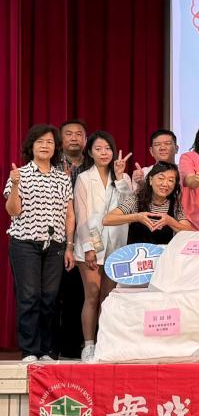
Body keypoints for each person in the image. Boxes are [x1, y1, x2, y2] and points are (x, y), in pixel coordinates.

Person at [5, 125, 76, 362]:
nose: (45, 146)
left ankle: (47, 350)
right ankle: (29, 350)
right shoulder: (20, 174)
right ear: (31, 146)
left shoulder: (62, 178)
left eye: (50, 142)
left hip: (55, 245)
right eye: (40, 142)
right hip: (25, 243)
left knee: (50, 298)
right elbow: (13, 211)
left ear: (56, 148)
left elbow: (69, 215)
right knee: (29, 296)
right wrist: (15, 185)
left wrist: (69, 245)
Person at [73, 131, 134, 363]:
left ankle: (105, 343)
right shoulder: (83, 178)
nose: (103, 153)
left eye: (107, 148)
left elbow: (130, 205)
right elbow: (81, 215)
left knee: (108, 298)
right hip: (90, 245)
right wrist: (88, 247)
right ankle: (89, 345)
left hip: (116, 245)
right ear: (90, 152)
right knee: (92, 294)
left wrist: (120, 177)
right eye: (98, 149)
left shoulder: (122, 177)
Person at [55, 119, 87, 359]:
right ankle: (56, 347)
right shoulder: (50, 163)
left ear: (85, 139)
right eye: (69, 134)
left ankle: (80, 346)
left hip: (87, 236)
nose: (74, 137)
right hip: (57, 235)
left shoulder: (95, 163)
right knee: (57, 293)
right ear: (61, 139)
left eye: (79, 134)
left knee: (82, 293)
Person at [103, 162, 193, 245]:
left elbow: (189, 231)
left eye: (171, 180)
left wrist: (170, 221)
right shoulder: (137, 199)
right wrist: (137, 217)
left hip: (163, 255)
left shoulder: (175, 204)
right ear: (150, 180)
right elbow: (107, 219)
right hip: (136, 255)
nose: (165, 184)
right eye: (161, 178)